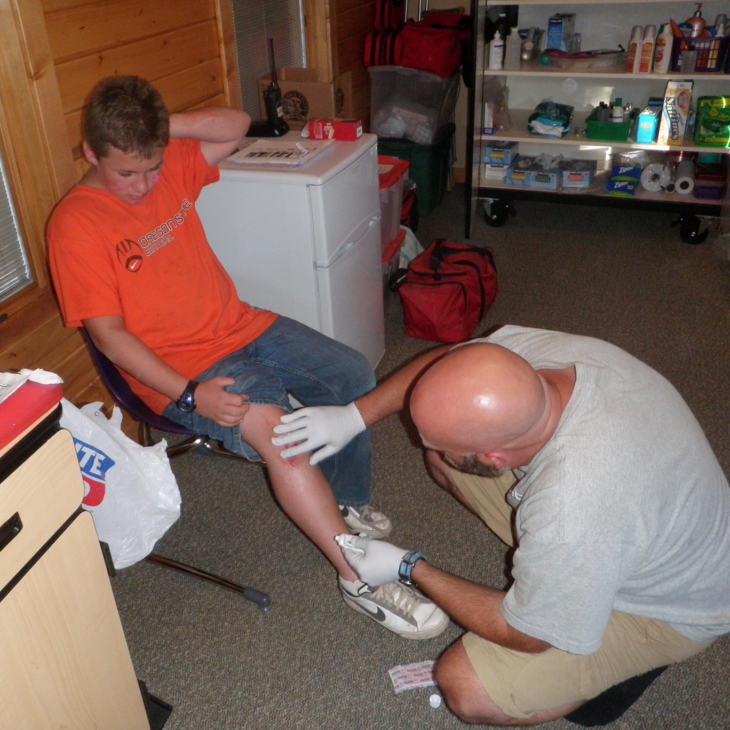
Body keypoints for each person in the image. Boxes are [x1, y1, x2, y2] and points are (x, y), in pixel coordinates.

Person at [47, 75, 448, 640]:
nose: (142, 185)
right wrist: (189, 394)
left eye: (153, 166)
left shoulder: (166, 165)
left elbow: (235, 126)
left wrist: (162, 127)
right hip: (187, 372)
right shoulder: (75, 223)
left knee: (352, 373)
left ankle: (345, 504)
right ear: (91, 152)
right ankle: (358, 578)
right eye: (125, 172)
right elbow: (110, 337)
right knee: (281, 435)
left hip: (244, 325)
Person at [273, 324, 730, 725]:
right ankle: (565, 585)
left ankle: (603, 655)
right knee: (445, 462)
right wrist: (356, 417)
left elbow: (527, 636)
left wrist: (410, 567)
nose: (417, 442)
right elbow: (453, 361)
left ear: (498, 458)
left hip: (671, 608)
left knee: (466, 689)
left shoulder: (575, 505)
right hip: (645, 526)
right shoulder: (559, 361)